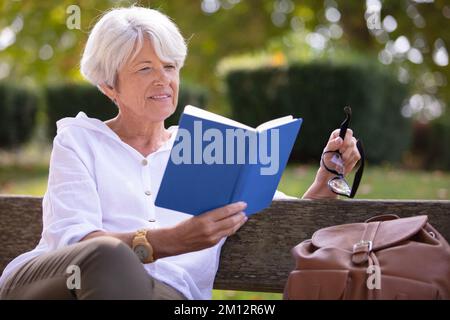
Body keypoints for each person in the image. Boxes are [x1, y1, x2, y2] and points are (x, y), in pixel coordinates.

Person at [0, 6, 361, 300]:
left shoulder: (210, 147)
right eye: (145, 69)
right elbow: (75, 243)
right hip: (57, 285)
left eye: (170, 67)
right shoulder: (80, 141)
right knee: (109, 258)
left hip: (167, 297)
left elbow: (284, 217)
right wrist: (174, 240)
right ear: (109, 86)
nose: (164, 80)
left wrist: (329, 177)